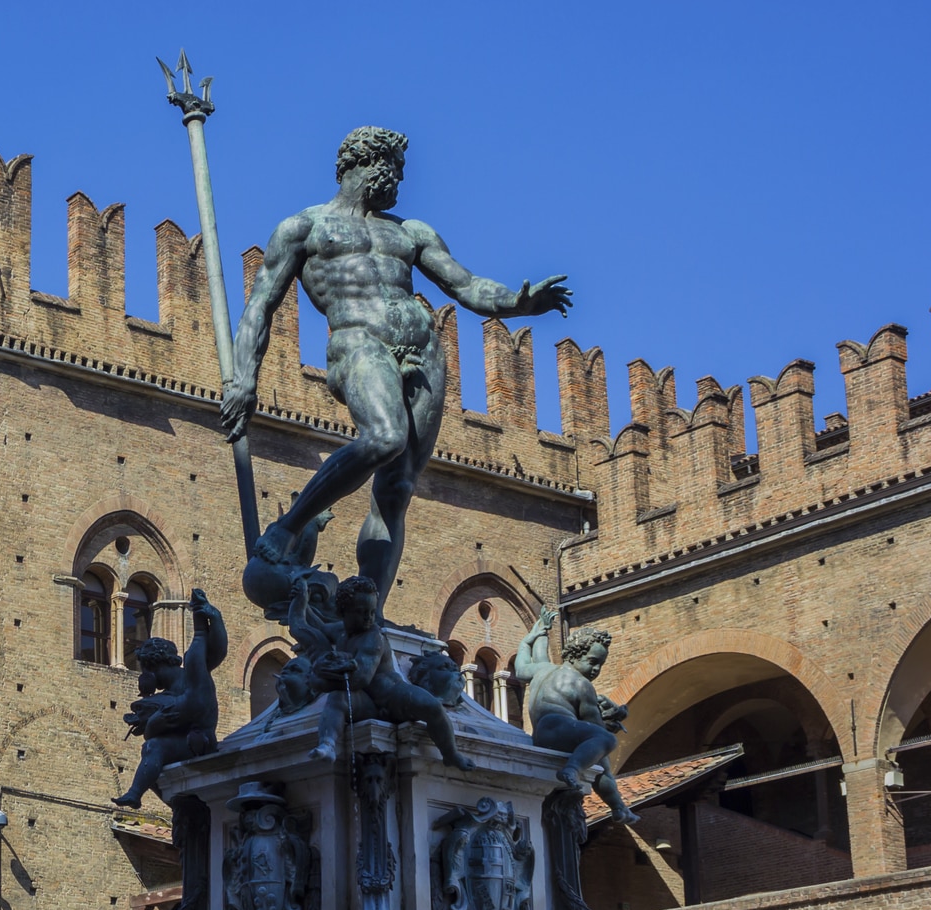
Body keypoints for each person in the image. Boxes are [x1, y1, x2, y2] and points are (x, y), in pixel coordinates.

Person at [221, 127, 572, 621]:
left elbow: (467, 286)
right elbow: (260, 307)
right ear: (364, 164)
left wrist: (518, 302)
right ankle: (287, 529)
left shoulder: (411, 233)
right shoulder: (303, 229)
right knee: (385, 437)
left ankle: (370, 618)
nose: (400, 182)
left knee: (397, 487)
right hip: (357, 342)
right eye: (395, 169)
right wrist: (244, 381)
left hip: (424, 350)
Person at [311, 576, 472, 770]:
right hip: (368, 703)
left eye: (371, 611)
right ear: (342, 612)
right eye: (361, 612)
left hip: (393, 695)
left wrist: (322, 681)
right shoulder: (341, 632)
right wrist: (300, 603)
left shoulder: (373, 637)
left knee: (431, 706)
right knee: (337, 699)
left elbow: (361, 678)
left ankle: (450, 753)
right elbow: (318, 627)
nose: (369, 617)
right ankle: (327, 744)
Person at [515, 607, 639, 824]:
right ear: (575, 655)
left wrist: (531, 638)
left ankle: (618, 807)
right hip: (561, 729)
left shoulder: (542, 669)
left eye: (600, 665)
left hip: (541, 734)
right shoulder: (582, 686)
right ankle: (575, 772)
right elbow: (597, 731)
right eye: (592, 662)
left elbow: (521, 667)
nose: (596, 670)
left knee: (598, 745)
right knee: (605, 742)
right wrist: (609, 724)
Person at [114, 589, 228, 808]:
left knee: (154, 747)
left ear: (150, 667)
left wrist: (210, 616)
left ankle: (135, 794)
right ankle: (140, 794)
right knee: (153, 747)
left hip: (201, 741)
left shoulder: (193, 674)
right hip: (184, 742)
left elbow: (209, 645)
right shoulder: (164, 696)